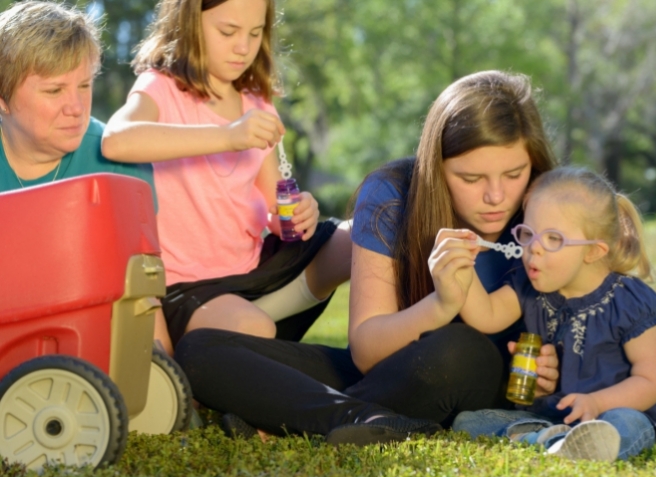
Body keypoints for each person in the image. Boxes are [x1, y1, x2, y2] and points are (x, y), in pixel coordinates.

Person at [173, 70, 561, 445]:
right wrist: (441, 305)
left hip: (466, 373)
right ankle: (364, 421)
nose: (495, 197)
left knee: (458, 349)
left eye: (514, 174)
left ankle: (291, 415)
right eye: (471, 179)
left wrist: (552, 371)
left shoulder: (551, 217)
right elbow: (366, 351)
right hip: (384, 372)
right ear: (435, 171)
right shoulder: (393, 196)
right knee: (201, 349)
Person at [101, 0, 351, 354]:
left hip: (253, 271)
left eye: (255, 32)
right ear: (188, 23)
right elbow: (116, 140)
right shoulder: (161, 87)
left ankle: (246, 338)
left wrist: (297, 213)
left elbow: (274, 208)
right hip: (188, 287)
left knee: (360, 240)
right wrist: (228, 135)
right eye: (228, 31)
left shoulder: (257, 102)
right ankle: (232, 342)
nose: (243, 47)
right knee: (253, 328)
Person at [445, 167, 656, 461]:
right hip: (556, 416)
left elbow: (652, 379)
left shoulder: (626, 299)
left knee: (625, 423)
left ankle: (562, 442)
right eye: (528, 234)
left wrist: (596, 403)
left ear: (593, 251)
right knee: (469, 421)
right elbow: (487, 315)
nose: (534, 250)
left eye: (553, 239)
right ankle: (555, 441)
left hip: (621, 411)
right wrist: (461, 268)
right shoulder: (530, 285)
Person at [0, 1, 153, 196]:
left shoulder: (122, 164)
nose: (77, 108)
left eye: (84, 85)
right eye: (54, 90)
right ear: (2, 99)